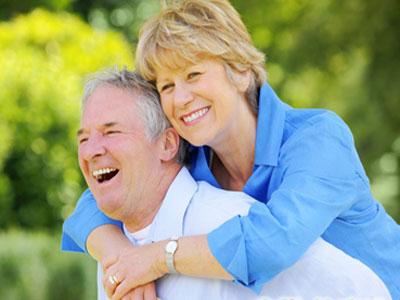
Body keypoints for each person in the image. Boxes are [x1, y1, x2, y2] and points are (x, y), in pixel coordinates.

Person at [62, 1, 400, 299]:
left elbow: (271, 245)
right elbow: (99, 199)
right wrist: (120, 258)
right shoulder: (195, 155)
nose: (180, 99)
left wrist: (152, 258)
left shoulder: (317, 139)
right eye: (167, 85)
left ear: (239, 71)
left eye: (193, 75)